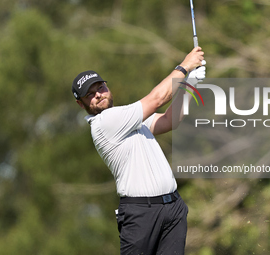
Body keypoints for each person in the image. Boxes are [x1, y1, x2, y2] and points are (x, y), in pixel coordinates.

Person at [72, 47, 205, 255]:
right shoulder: (104, 122)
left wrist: (191, 85)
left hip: (173, 207)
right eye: (90, 94)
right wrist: (185, 66)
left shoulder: (126, 118)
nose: (98, 95)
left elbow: (170, 121)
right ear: (81, 104)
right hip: (142, 213)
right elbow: (156, 100)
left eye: (100, 87)